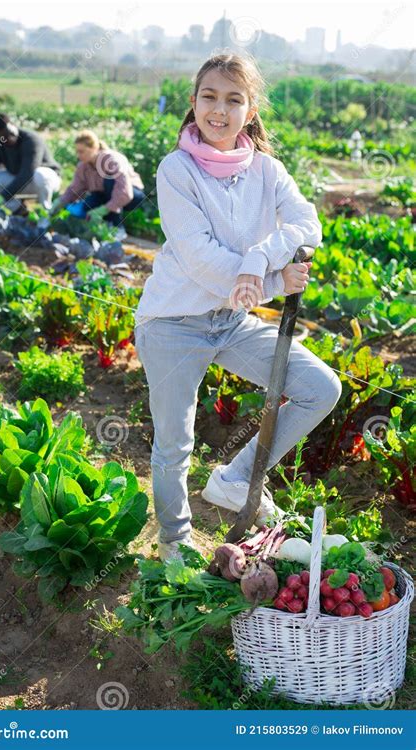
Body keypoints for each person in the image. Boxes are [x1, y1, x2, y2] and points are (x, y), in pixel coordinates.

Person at [133, 53, 342, 562]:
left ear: (250, 111)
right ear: (194, 102)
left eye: (233, 99)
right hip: (172, 325)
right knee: (174, 445)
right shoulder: (176, 170)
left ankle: (236, 477)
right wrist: (271, 278)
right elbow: (200, 259)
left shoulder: (268, 171)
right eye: (209, 97)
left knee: (320, 388)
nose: (219, 110)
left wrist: (259, 258)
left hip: (230, 321)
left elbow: (306, 224)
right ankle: (175, 543)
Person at [0, 113, 61, 214]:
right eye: (4, 138)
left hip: (45, 181)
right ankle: (19, 210)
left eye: (10, 135)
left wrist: (2, 197)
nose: (10, 139)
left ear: (14, 126)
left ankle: (48, 211)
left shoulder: (31, 140)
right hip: (20, 182)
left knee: (40, 175)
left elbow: (27, 173)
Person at [50, 130, 146, 227]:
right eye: (77, 152)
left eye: (82, 152)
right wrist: (60, 201)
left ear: (94, 148)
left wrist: (104, 209)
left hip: (131, 195)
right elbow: (75, 188)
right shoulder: (83, 166)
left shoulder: (111, 160)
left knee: (109, 181)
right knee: (89, 204)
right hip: (106, 195)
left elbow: (124, 192)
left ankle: (116, 226)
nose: (78, 155)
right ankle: (101, 227)